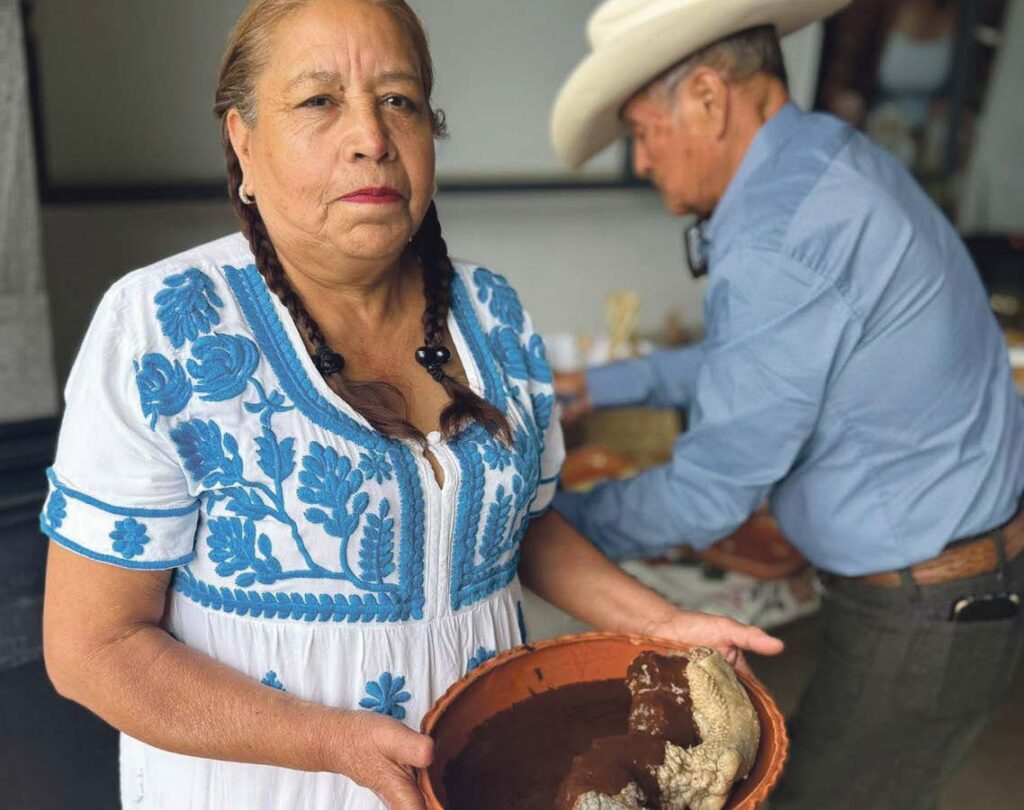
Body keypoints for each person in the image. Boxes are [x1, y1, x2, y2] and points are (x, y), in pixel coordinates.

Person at [38, 1, 783, 808]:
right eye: (319, 101)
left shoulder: (491, 312)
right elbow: (92, 649)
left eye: (399, 100)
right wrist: (328, 741)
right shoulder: (161, 326)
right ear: (243, 142)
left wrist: (659, 623)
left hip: (482, 772)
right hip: (268, 787)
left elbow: (521, 529)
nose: (371, 137)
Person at [549, 1, 1024, 807]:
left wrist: (543, 530)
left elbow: (710, 494)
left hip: (928, 606)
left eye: (643, 132)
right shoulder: (824, 160)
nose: (643, 160)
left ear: (709, 98)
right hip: (942, 578)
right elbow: (765, 362)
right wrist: (606, 385)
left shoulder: (781, 234)